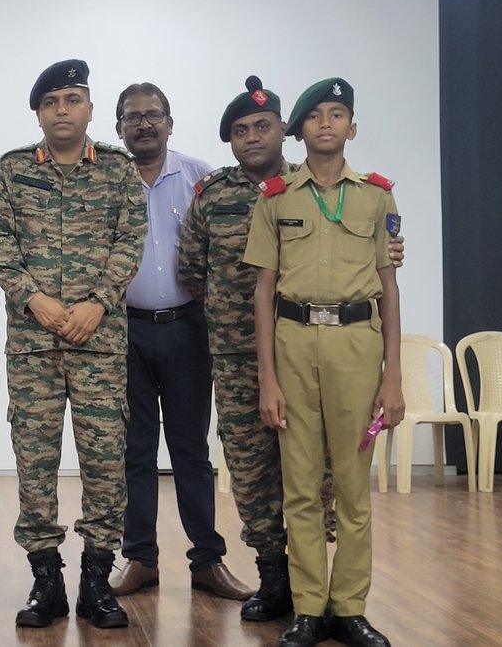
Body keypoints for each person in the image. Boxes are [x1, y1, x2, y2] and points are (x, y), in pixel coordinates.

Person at [179, 76, 405, 624]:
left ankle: (334, 600)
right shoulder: (224, 195)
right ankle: (281, 583)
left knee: (332, 479)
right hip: (252, 356)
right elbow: (194, 273)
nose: (253, 136)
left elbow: (381, 274)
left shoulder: (354, 192)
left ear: (284, 130)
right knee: (257, 473)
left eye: (263, 126)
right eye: (241, 130)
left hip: (335, 348)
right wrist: (249, 353)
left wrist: (392, 372)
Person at [0, 59, 146, 630]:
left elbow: (131, 239)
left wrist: (99, 302)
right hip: (34, 344)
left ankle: (97, 581)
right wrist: (34, 299)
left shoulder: (119, 171)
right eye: (50, 102)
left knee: (105, 463)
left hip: (100, 341)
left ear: (90, 109)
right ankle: (45, 581)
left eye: (72, 100)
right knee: (35, 462)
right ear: (38, 113)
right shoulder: (12, 170)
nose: (61, 110)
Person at [245, 78, 404, 647]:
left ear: (352, 128)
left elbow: (389, 288)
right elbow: (263, 292)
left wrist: (393, 376)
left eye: (338, 114)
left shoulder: (377, 197)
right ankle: (309, 608)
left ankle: (350, 609)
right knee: (302, 486)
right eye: (315, 115)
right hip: (293, 343)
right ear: (299, 131)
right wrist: (267, 378)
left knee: (355, 488)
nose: (327, 123)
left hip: (357, 348)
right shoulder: (276, 197)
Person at [107, 83, 253, 601]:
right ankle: (140, 559)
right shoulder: (107, 180)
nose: (144, 124)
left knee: (191, 450)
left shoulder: (200, 178)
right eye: (133, 117)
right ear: (118, 127)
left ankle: (207, 561)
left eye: (153, 115)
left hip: (189, 328)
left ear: (170, 123)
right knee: (136, 451)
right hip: (125, 331)